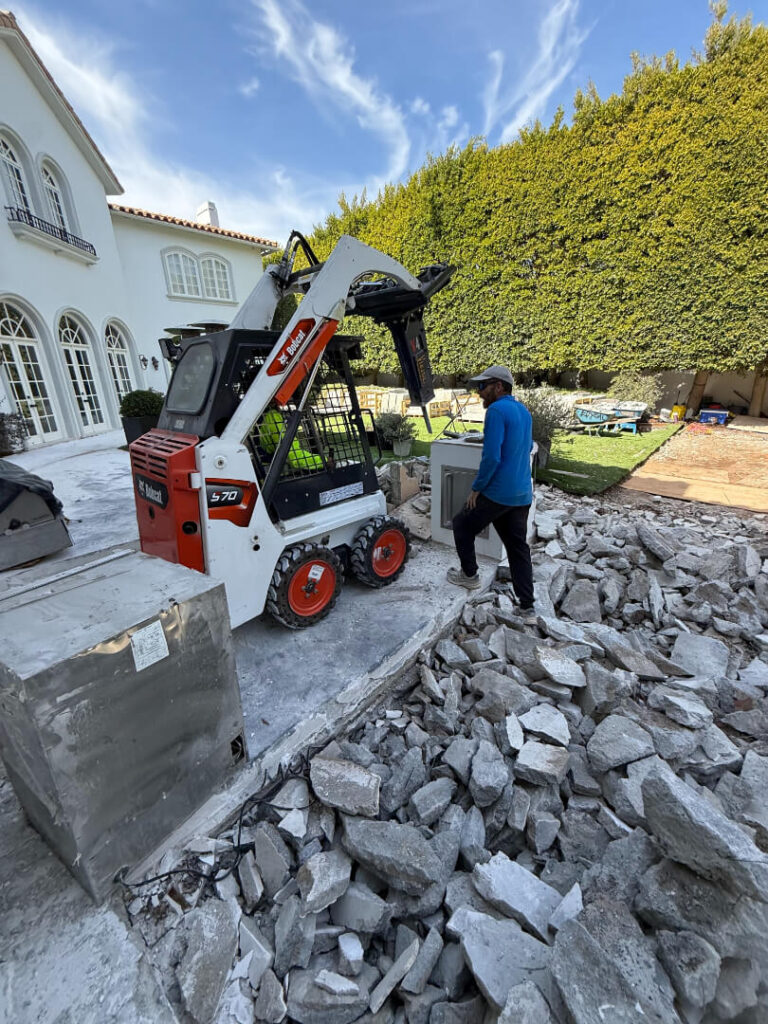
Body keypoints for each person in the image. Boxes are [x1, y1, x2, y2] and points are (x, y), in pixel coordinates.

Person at [448, 365, 534, 613]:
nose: (479, 392)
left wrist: (477, 488)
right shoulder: (523, 411)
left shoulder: (496, 410)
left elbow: (492, 458)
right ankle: (527, 608)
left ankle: (469, 575)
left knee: (462, 524)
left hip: (497, 493)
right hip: (521, 494)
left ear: (499, 386)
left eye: (483, 386)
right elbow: (526, 448)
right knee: (518, 549)